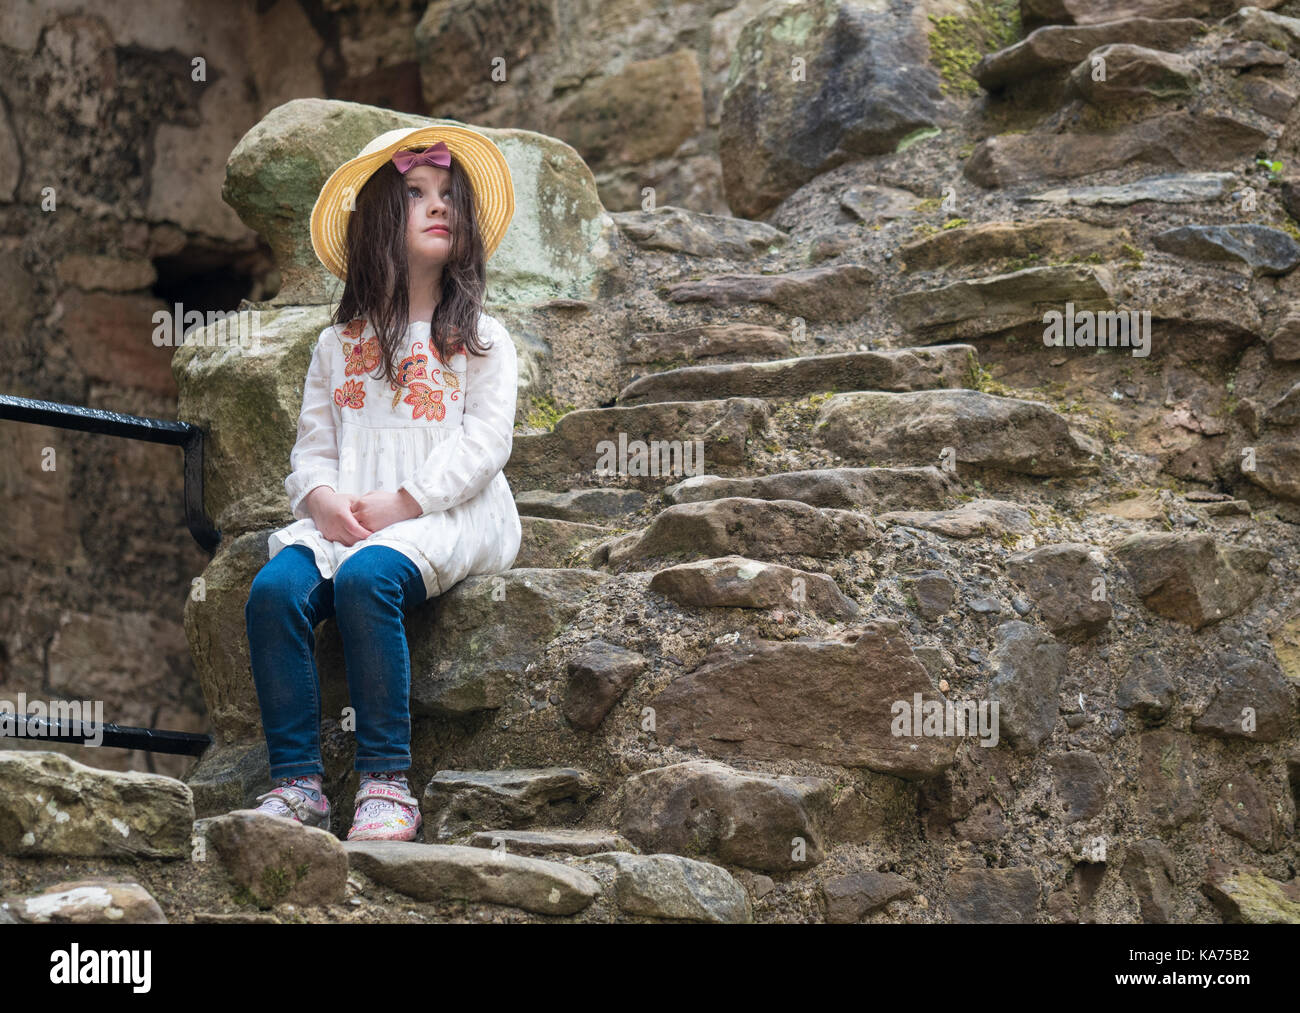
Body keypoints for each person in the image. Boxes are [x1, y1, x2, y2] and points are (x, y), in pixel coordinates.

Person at [242, 126, 522, 841]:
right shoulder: (337, 347)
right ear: (373, 223)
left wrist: (407, 501)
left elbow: (486, 446)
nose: (441, 207)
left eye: (450, 196)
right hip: (353, 515)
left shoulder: (481, 340)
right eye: (417, 195)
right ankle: (298, 782)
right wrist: (322, 501)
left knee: (368, 580)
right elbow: (312, 452)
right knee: (273, 590)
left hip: (448, 512)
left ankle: (386, 780)